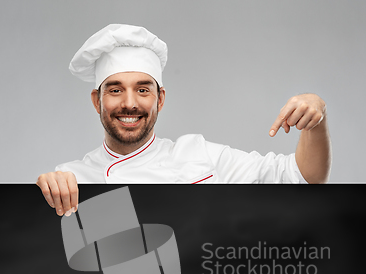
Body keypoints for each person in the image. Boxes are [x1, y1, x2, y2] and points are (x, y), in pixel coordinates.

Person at [36, 24, 331, 216]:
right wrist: (42, 197)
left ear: (160, 99)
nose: (129, 103)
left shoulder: (199, 155)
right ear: (96, 101)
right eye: (115, 90)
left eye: (142, 89)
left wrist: (316, 120)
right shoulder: (71, 179)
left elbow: (303, 178)